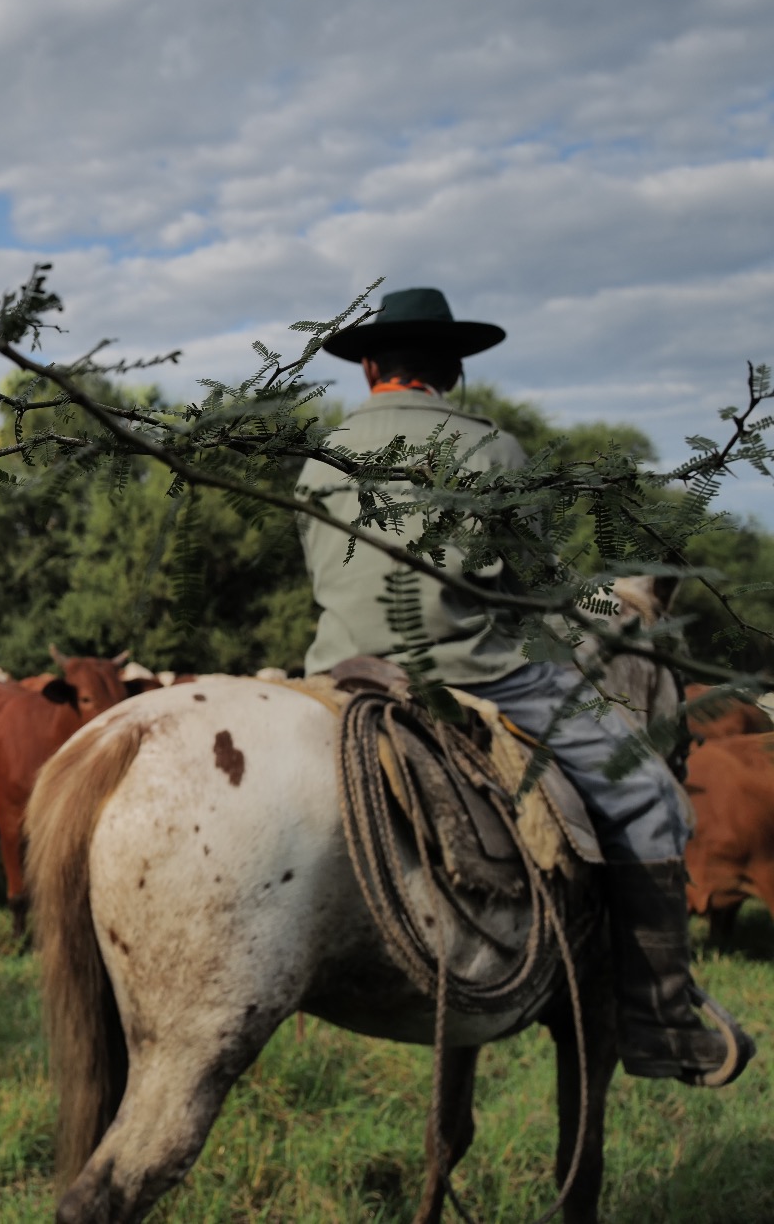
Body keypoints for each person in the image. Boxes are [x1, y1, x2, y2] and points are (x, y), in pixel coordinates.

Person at [297, 287, 752, 1086]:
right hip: (474, 670)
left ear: (369, 369)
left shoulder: (319, 457)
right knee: (647, 795)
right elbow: (534, 598)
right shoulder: (493, 452)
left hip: (337, 671)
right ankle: (659, 1023)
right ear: (453, 370)